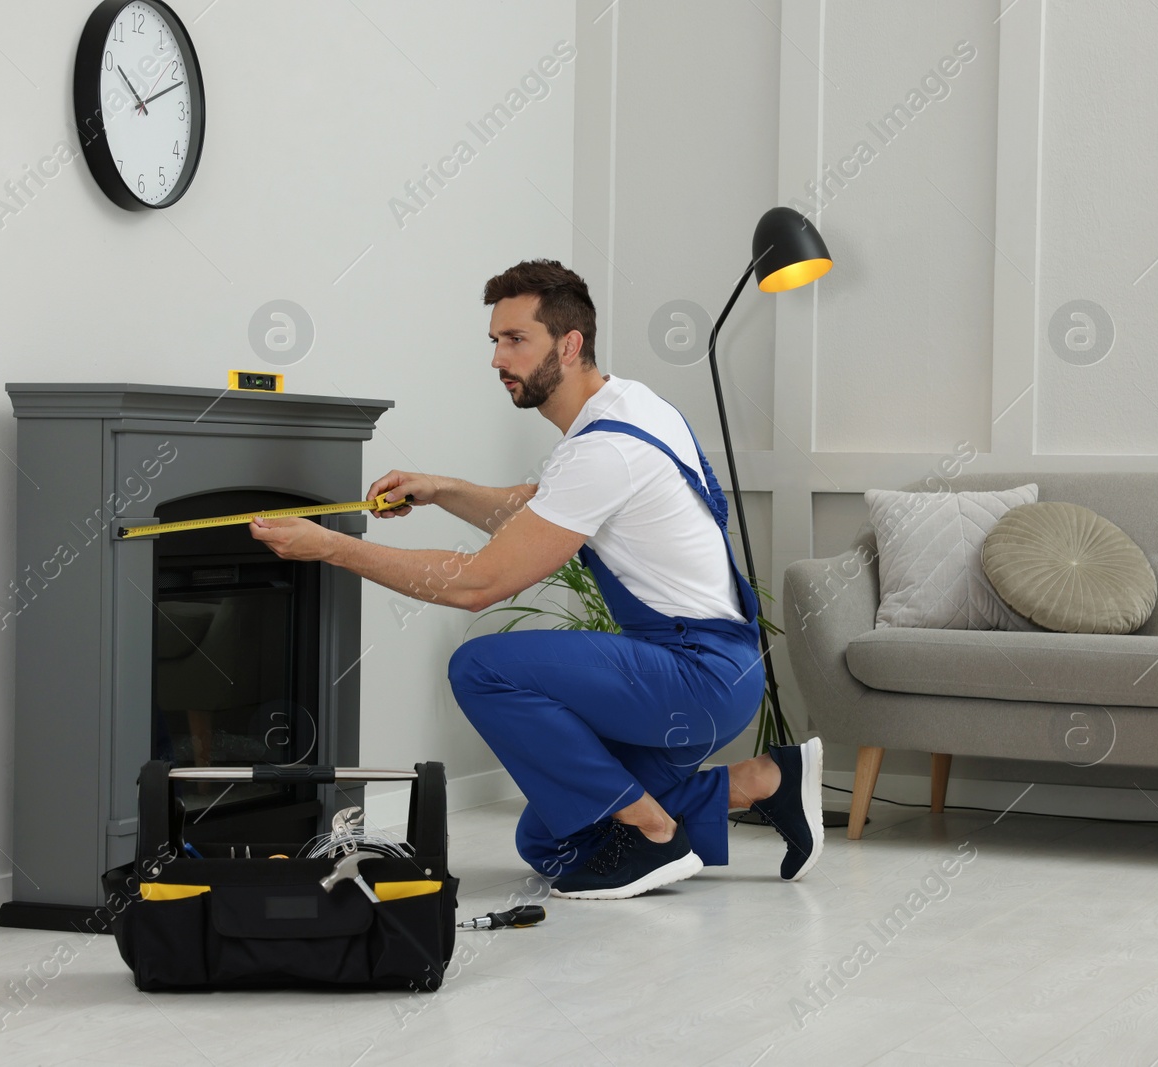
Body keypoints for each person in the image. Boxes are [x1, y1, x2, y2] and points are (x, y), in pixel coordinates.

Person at [249, 259, 823, 899]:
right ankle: (770, 781)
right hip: (711, 669)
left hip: (695, 677)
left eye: (515, 339)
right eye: (495, 340)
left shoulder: (602, 451)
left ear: (570, 345)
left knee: (482, 667)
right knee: (551, 840)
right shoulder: (629, 405)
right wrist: (440, 490)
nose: (498, 358)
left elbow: (477, 585)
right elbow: (540, 510)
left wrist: (330, 547)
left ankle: (652, 828)